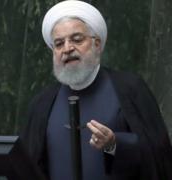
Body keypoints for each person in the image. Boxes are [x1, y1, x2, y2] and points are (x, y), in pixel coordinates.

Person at [20, 1, 172, 180]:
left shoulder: (130, 89)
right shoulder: (42, 103)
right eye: (59, 44)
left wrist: (114, 144)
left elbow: (158, 155)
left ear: (97, 44)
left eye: (77, 39)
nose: (67, 49)